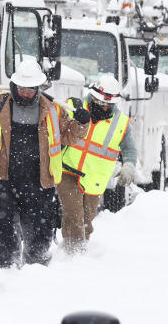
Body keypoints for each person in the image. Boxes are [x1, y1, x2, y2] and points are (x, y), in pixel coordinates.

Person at [0, 59, 88, 268]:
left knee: (40, 230)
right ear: (14, 86)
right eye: (21, 89)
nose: (25, 94)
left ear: (38, 88)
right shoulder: (0, 104)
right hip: (3, 179)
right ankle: (6, 266)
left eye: (30, 90)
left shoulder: (54, 110)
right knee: (4, 228)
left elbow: (69, 136)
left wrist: (82, 123)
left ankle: (36, 268)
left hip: (40, 182)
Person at [57, 74, 137, 253]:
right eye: (99, 101)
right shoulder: (73, 106)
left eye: (107, 104)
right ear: (92, 96)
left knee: (86, 219)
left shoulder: (121, 122)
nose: (103, 106)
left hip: (95, 178)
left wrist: (128, 166)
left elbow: (130, 149)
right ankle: (75, 253)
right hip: (68, 170)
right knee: (74, 212)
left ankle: (71, 248)